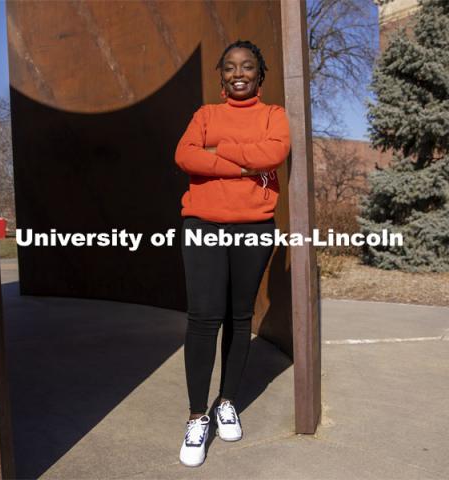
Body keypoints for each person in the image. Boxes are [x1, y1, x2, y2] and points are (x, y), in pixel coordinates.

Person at [174, 39, 291, 467]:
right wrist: (246, 166)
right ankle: (196, 416)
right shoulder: (205, 115)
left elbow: (275, 153)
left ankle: (227, 401)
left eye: (246, 67)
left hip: (254, 228)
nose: (238, 73)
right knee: (204, 317)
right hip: (202, 225)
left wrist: (217, 152)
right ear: (221, 76)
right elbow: (184, 156)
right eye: (229, 67)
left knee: (239, 317)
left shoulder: (274, 115)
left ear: (260, 74)